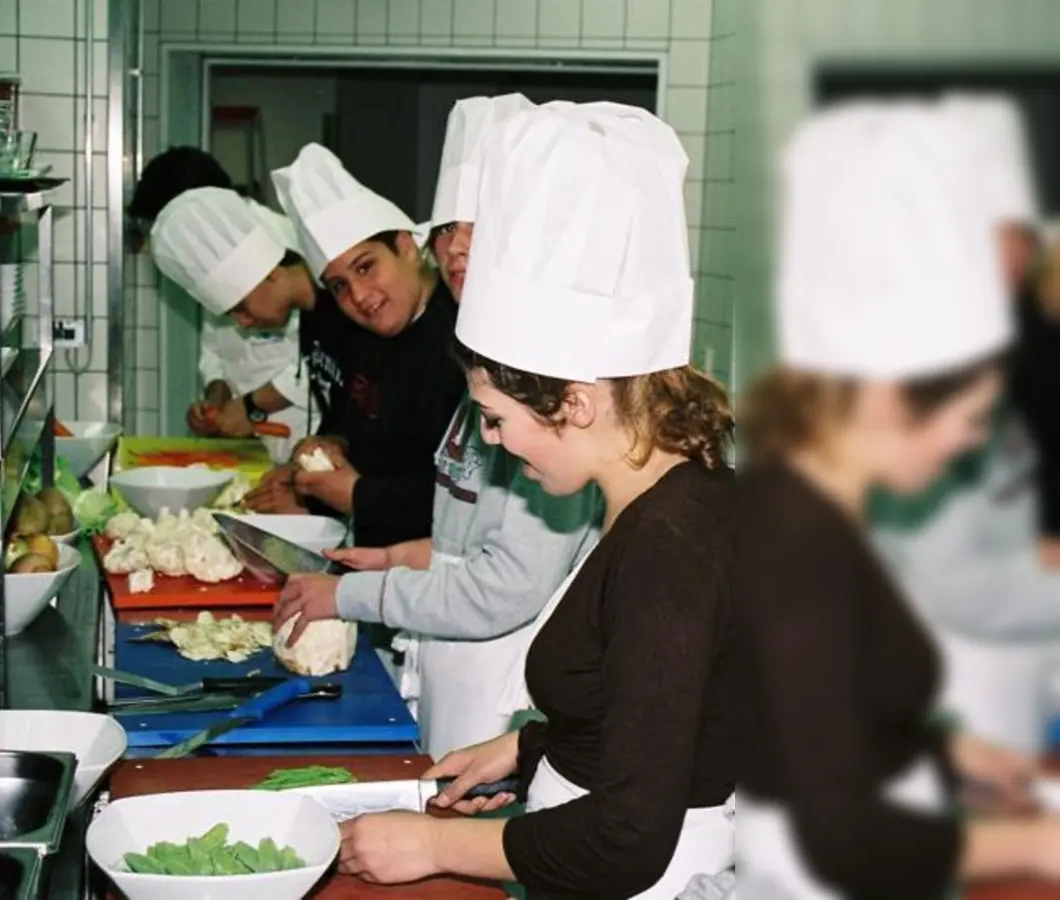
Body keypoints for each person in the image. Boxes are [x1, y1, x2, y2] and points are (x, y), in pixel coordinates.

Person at [335, 102, 740, 900]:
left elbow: (629, 835)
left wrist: (435, 847)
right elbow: (665, 713)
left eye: (497, 418)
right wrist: (529, 751)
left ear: (577, 404)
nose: (490, 443)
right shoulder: (661, 500)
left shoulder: (672, 544)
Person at [733, 100, 1060, 900]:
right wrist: (1035, 848)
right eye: (970, 419)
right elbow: (841, 834)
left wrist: (954, 759)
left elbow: (831, 719)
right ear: (891, 398)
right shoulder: (798, 540)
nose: (970, 444)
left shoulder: (823, 511)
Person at [271, 94, 600, 760]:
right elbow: (467, 537)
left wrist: (357, 592)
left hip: (508, 696)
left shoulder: (549, 384)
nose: (455, 245)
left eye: (481, 223)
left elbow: (508, 583)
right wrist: (393, 558)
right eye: (448, 226)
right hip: (452, 676)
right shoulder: (482, 359)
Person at [866, 94, 1060, 757]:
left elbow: (1008, 505)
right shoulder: (912, 370)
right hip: (948, 682)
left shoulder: (994, 353)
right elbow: (951, 581)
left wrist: (1042, 557)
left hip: (1008, 662)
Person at [262, 144, 468, 548]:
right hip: (374, 556)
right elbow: (359, 422)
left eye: (365, 266)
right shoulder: (368, 334)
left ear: (406, 246)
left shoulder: (460, 341)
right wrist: (331, 444)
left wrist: (359, 496)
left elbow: (464, 493)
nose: (358, 296)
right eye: (339, 285)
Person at [150, 187, 332, 453]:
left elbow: (320, 374)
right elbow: (214, 348)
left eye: (240, 308)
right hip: (275, 447)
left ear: (270, 274)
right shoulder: (282, 296)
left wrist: (252, 406)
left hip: (306, 431)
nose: (242, 324)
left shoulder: (319, 287)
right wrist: (218, 400)